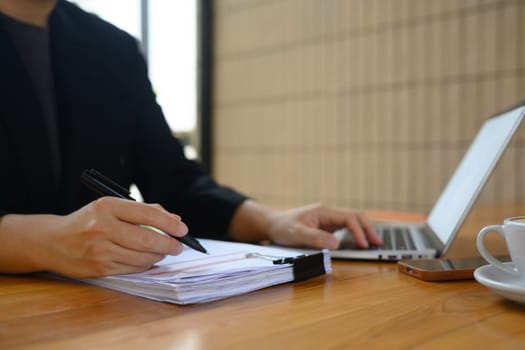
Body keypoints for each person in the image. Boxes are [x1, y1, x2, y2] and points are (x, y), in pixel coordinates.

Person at [0, 0, 381, 278]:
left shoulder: (110, 48)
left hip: (99, 309)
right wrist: (44, 240)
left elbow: (174, 181)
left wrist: (272, 222)